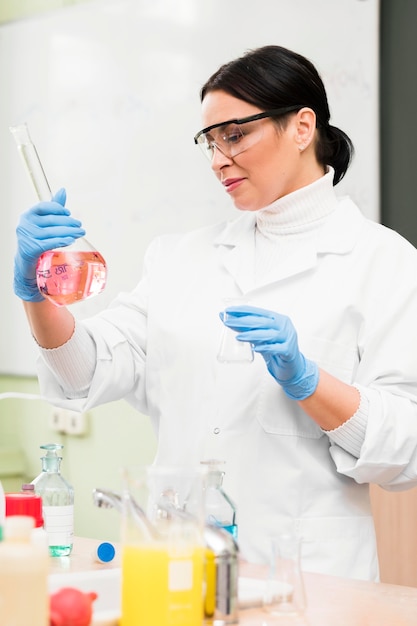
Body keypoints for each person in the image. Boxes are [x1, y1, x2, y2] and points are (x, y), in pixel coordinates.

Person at [13, 45, 417, 581]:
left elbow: (405, 449)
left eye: (234, 134)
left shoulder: (384, 262)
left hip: (311, 580)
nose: (217, 159)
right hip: (175, 564)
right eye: (209, 142)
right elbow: (84, 370)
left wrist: (310, 383)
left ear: (301, 128)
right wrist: (36, 295)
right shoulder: (178, 258)